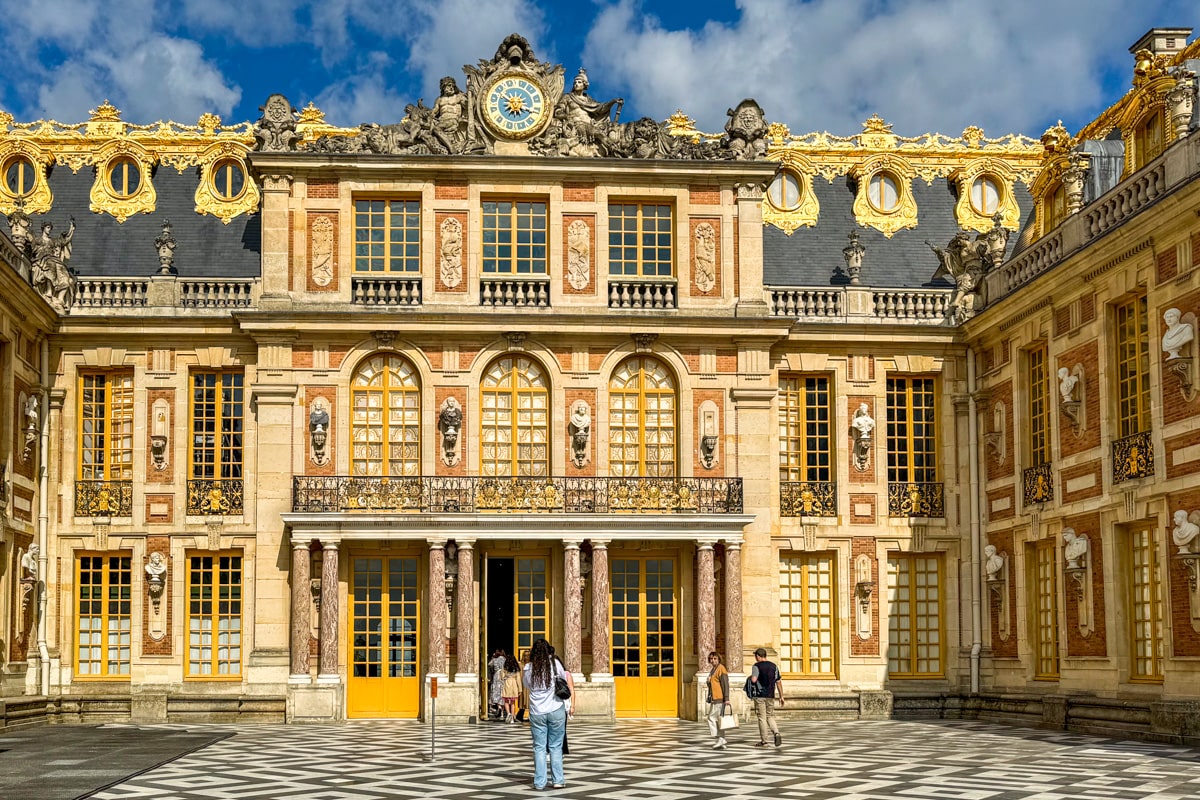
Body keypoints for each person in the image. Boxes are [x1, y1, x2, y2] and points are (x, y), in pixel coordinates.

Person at [523, 638, 572, 790]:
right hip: (556, 708)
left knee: (539, 747)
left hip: (537, 711)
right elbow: (565, 679)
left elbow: (526, 685)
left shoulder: (528, 668)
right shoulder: (554, 664)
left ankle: (539, 782)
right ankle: (558, 780)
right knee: (556, 747)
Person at [750, 647, 784, 748]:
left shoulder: (756, 666)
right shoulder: (774, 666)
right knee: (770, 716)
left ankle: (764, 741)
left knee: (762, 717)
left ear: (758, 656)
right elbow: (778, 682)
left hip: (760, 695)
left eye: (756, 656)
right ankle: (776, 733)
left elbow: (754, 680)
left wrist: (751, 678)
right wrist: (781, 696)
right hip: (770, 695)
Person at [705, 651, 731, 750]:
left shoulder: (721, 669)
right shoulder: (713, 670)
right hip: (714, 698)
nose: (713, 661)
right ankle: (722, 740)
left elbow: (725, 684)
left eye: (715, 659)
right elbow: (713, 685)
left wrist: (727, 698)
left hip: (719, 698)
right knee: (719, 720)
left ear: (719, 659)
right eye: (711, 659)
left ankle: (719, 737)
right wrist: (708, 682)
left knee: (711, 718)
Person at [501, 654, 522, 723]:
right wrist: (520, 689)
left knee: (506, 701)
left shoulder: (504, 667)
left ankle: (508, 713)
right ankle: (512, 718)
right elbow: (518, 679)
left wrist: (505, 677)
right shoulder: (516, 668)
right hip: (514, 684)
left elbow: (502, 677)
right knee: (513, 702)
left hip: (507, 683)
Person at [488, 649, 507, 719]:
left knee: (496, 692)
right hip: (503, 676)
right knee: (502, 692)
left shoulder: (495, 660)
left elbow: (489, 664)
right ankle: (502, 712)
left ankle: (498, 709)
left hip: (496, 676)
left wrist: (493, 658)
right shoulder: (505, 659)